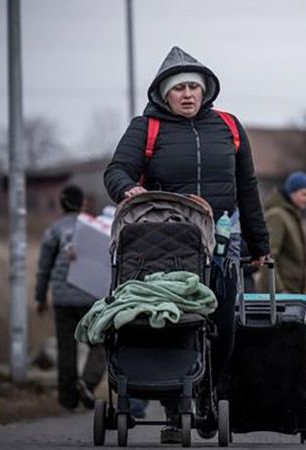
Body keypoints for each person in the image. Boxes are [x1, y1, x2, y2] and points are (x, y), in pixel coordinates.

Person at [103, 46, 270, 443]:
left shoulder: (228, 126)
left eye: (195, 86)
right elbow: (117, 170)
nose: (188, 94)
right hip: (167, 238)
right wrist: (129, 190)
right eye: (179, 89)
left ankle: (211, 394)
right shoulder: (146, 128)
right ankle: (176, 405)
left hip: (224, 238)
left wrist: (259, 243)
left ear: (206, 90)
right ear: (164, 94)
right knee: (175, 319)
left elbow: (247, 187)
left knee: (224, 320)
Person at [34, 184, 105, 411]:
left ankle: (68, 399)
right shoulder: (96, 228)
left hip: (63, 297)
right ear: (83, 203)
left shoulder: (53, 231)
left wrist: (40, 298)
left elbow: (44, 267)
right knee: (100, 342)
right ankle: (87, 382)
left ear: (61, 204)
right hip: (92, 296)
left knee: (67, 347)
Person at [258, 171, 306, 293]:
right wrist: (279, 290)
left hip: (291, 294)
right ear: (291, 192)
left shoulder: (291, 216)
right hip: (279, 297)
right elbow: (268, 256)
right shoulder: (277, 216)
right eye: (304, 194)